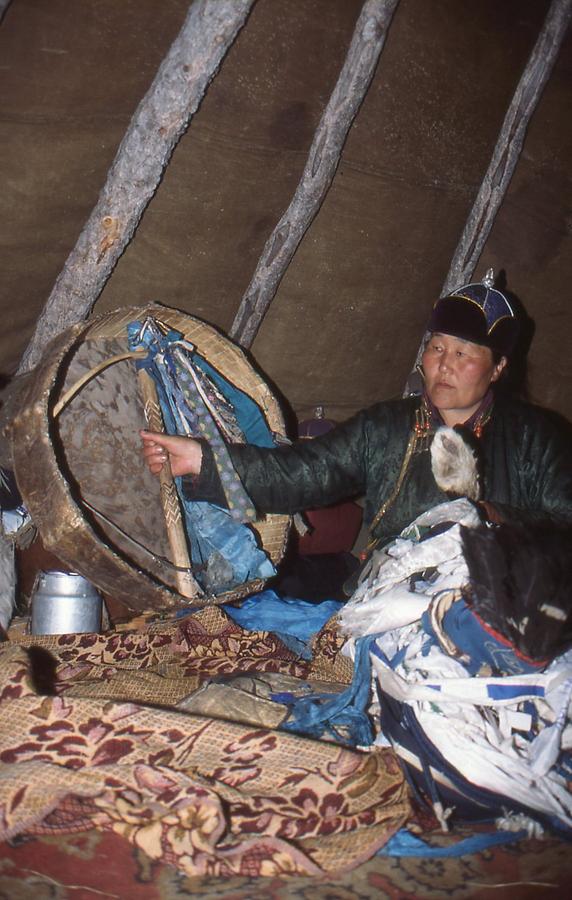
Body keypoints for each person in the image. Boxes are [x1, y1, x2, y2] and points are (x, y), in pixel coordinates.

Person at [141, 276, 572, 559]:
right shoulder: (383, 427)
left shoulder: (538, 437)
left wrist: (493, 515)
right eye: (437, 347)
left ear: (497, 367)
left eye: (463, 354)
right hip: (394, 589)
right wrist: (203, 460)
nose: (444, 364)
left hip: (503, 591)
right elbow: (299, 474)